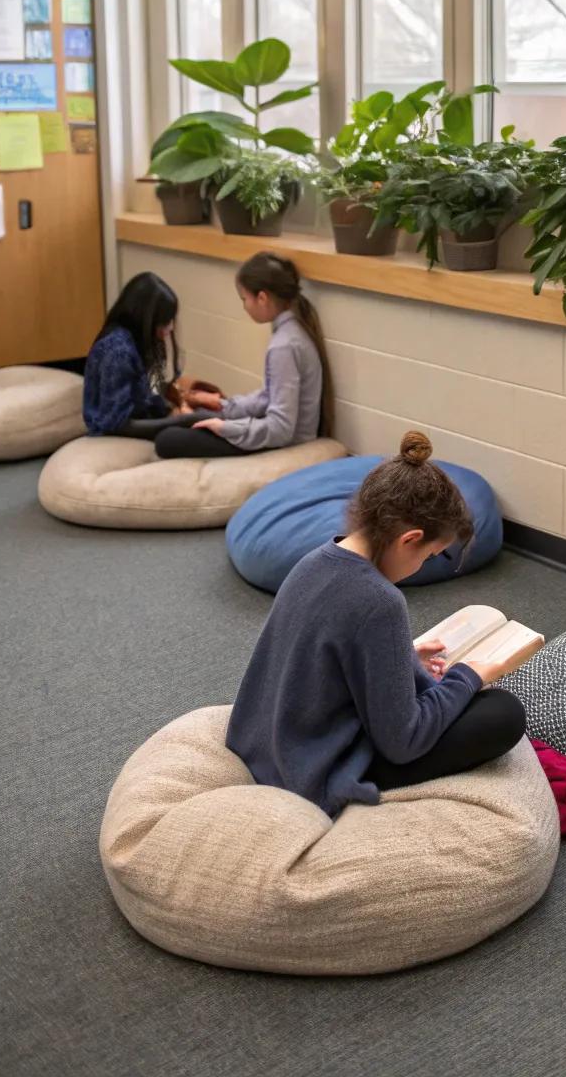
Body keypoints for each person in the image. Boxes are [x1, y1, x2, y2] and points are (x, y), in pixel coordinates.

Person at [226, 431, 526, 815]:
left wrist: (403, 657)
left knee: (435, 687)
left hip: (268, 742)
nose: (423, 566)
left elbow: (320, 654)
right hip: (313, 769)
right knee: (502, 713)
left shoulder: (315, 559)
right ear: (409, 539)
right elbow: (403, 741)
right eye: (430, 556)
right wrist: (467, 676)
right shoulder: (380, 601)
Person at [154, 251, 333, 461]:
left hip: (286, 443)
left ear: (262, 298)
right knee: (192, 417)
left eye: (244, 299)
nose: (244, 307)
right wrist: (224, 406)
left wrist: (226, 427)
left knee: (168, 440)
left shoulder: (284, 345)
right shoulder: (292, 334)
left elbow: (281, 428)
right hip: (276, 433)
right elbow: (269, 397)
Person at [83, 272, 202, 439]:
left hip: (141, 419)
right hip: (113, 435)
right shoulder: (118, 352)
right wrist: (179, 421)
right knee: (194, 425)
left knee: (203, 416)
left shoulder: (140, 341)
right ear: (144, 318)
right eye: (164, 321)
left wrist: (172, 410)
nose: (170, 328)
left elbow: (151, 393)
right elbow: (117, 424)